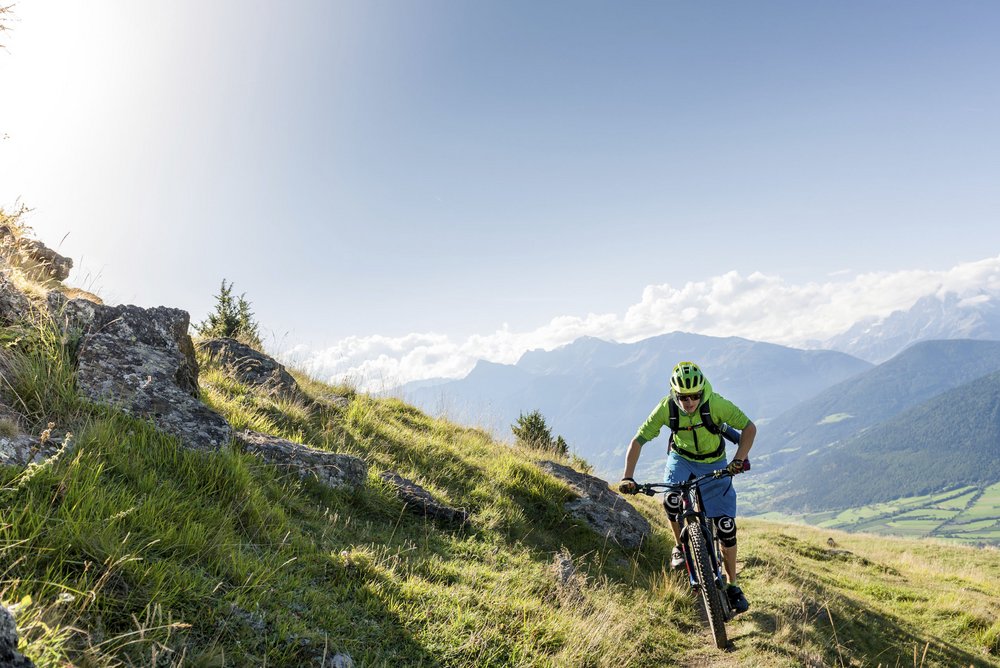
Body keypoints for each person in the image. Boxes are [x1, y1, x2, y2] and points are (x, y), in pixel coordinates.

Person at [618, 361, 756, 614]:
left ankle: (733, 585)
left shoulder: (716, 404)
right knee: (670, 500)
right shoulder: (666, 407)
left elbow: (749, 428)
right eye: (683, 396)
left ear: (702, 391)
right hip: (680, 459)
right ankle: (680, 547)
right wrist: (628, 476)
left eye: (694, 396)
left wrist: (738, 460)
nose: (689, 402)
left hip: (715, 462)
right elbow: (638, 440)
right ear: (674, 393)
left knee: (726, 527)